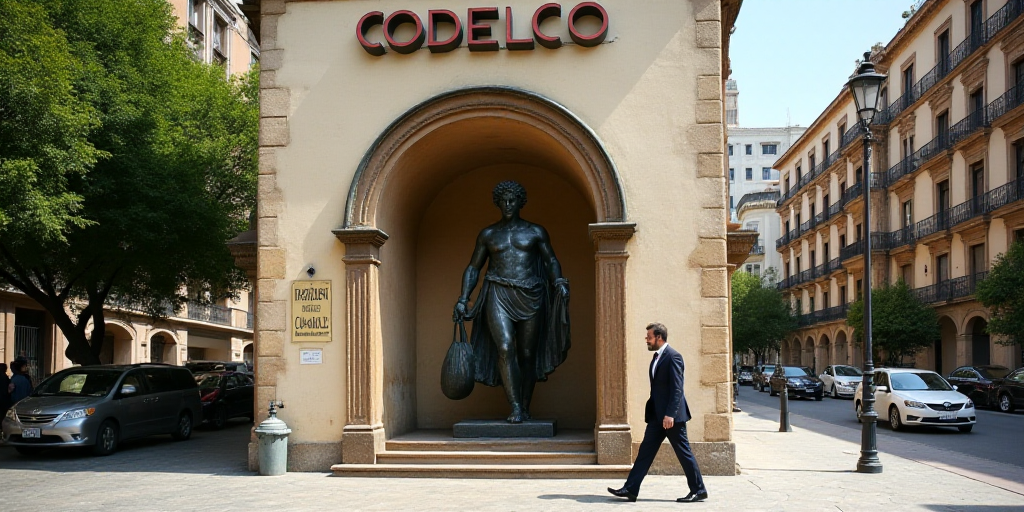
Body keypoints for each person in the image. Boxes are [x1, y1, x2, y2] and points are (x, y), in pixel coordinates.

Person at [452, 181, 571, 424]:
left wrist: (558, 280)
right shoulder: (488, 234)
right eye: (503, 200)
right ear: (498, 203)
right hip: (498, 292)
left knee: (527, 353)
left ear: (520, 202)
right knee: (505, 347)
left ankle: (525, 405)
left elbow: (550, 260)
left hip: (531, 294)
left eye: (512, 200)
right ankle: (515, 405)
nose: (507, 204)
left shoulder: (536, 232)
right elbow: (473, 268)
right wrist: (463, 298)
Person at [608, 323, 708, 503]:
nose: (646, 339)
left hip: (671, 418)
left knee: (683, 453)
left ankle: (699, 490)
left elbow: (677, 389)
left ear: (659, 337)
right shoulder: (657, 357)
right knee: (645, 452)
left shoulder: (673, 357)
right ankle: (630, 489)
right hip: (657, 418)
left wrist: (670, 414)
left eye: (649, 336)